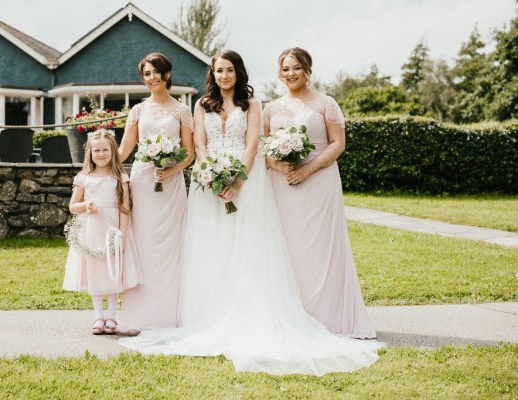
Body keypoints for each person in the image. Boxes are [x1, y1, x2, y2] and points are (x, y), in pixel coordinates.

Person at [120, 50, 381, 376]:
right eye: (219, 70)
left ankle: (246, 310)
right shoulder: (201, 105)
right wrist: (211, 174)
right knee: (211, 249)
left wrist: (238, 180)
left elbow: (253, 146)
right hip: (209, 185)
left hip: (247, 182)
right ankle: (205, 315)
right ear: (212, 74)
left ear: (238, 72)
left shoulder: (253, 104)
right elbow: (199, 143)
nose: (224, 75)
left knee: (245, 249)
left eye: (229, 70)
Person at [263, 47, 376, 339]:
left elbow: (338, 143)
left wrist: (308, 169)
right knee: (287, 248)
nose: (291, 74)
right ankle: (292, 314)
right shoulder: (271, 108)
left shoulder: (326, 103)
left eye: (296, 68)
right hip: (282, 184)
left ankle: (327, 317)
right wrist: (282, 167)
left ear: (308, 70)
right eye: (285, 69)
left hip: (319, 182)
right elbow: (264, 149)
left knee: (320, 246)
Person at [117, 52, 194, 334]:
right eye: (146, 74)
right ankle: (139, 313)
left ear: (167, 74)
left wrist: (172, 170)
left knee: (170, 245)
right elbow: (125, 149)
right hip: (142, 180)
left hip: (171, 184)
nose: (151, 78)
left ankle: (168, 313)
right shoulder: (138, 110)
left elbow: (189, 153)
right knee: (143, 243)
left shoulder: (181, 110)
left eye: (155, 72)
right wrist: (98, 167)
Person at [63, 129, 142, 335]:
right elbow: (72, 206)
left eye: (105, 150)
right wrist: (85, 204)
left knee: (113, 270)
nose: (101, 154)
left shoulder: (120, 177)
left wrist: (122, 237)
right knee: (95, 271)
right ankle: (98, 316)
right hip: (92, 231)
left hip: (113, 229)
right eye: (96, 150)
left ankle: (112, 316)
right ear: (90, 152)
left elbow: (125, 208)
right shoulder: (84, 178)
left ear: (112, 151)